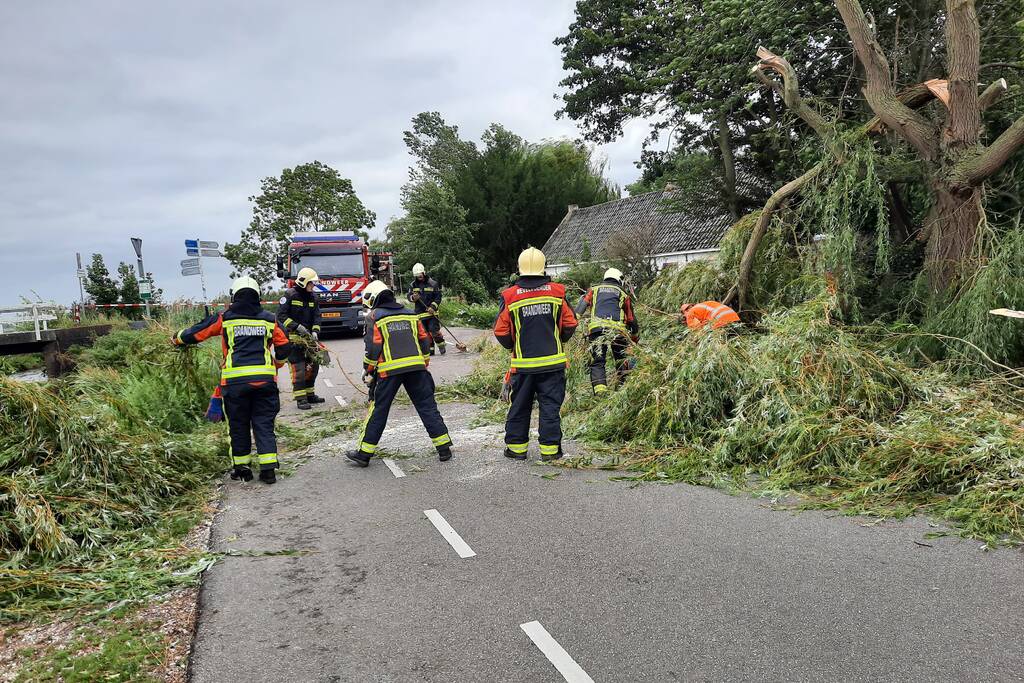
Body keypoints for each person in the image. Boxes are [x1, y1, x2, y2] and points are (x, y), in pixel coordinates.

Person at [173, 277, 292, 484]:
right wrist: (277, 364)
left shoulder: (225, 318)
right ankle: (268, 470)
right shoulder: (269, 319)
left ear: (233, 296)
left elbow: (198, 332)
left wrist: (177, 338)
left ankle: (242, 469)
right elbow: (284, 345)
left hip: (235, 384)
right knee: (264, 423)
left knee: (238, 425)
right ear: (258, 296)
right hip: (264, 382)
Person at [347, 280, 453, 467]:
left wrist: (367, 369)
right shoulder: (411, 314)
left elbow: (373, 347)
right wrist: (423, 363)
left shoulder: (374, 316)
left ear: (373, 298)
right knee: (427, 407)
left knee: (379, 410)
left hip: (389, 372)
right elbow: (424, 340)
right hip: (416, 368)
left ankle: (364, 454)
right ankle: (444, 448)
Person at [493, 247, 578, 461]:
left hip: (523, 366)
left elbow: (500, 331)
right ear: (544, 267)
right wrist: (559, 338)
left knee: (519, 407)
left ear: (519, 268)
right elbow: (570, 323)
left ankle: (516, 449)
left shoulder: (510, 295)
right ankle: (550, 452)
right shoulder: (557, 292)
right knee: (550, 407)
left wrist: (514, 344)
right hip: (553, 364)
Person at [575, 267, 639, 394]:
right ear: (619, 279)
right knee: (621, 360)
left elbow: (581, 307)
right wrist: (634, 337)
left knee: (598, 362)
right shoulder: (623, 294)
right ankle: (622, 390)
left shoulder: (593, 290)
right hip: (618, 332)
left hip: (597, 330)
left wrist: (573, 322)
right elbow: (631, 319)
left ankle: (600, 393)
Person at [277, 267, 324, 410]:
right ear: (304, 282)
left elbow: (317, 317)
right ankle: (301, 398)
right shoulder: (290, 295)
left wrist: (315, 331)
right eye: (311, 283)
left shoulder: (313, 297)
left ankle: (310, 394)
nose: (313, 286)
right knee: (299, 369)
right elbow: (281, 316)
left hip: (309, 338)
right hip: (293, 339)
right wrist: (296, 326)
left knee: (313, 366)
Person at [407, 262, 446, 355]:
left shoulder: (433, 284)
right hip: (420, 314)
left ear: (424, 273)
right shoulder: (413, 285)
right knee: (425, 334)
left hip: (432, 313)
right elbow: (409, 296)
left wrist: (433, 307)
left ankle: (441, 345)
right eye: (417, 275)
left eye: (420, 274)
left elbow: (438, 297)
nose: (419, 276)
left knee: (434, 331)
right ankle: (430, 350)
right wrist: (413, 298)